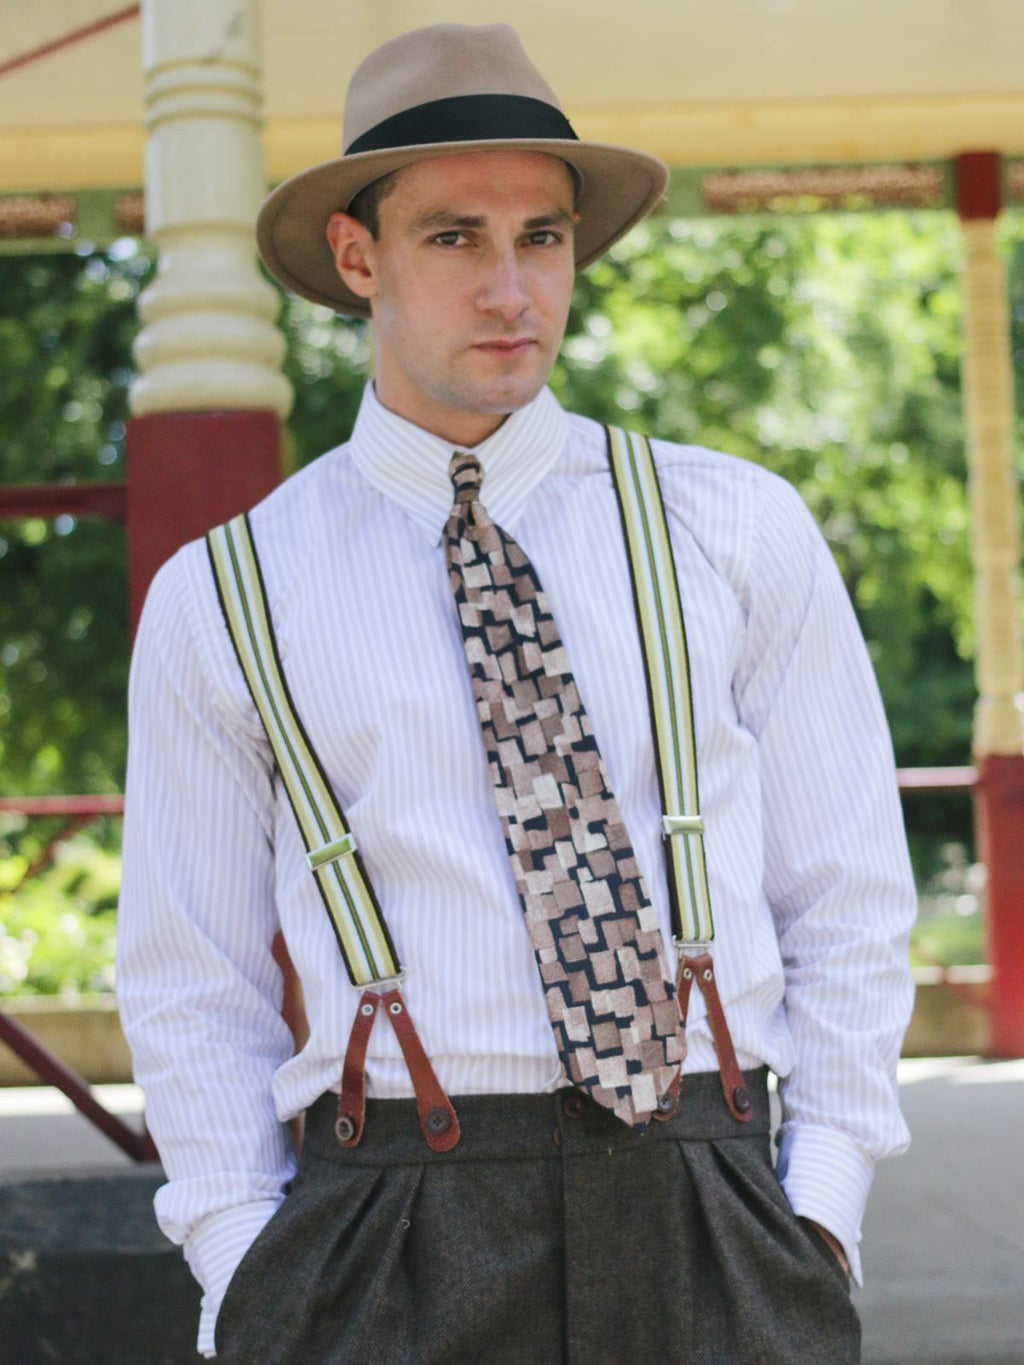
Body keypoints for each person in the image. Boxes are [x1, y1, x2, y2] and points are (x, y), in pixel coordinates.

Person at [117, 21, 916, 1364]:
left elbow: (847, 892)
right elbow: (190, 974)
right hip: (387, 1219)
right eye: (454, 238)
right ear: (357, 256)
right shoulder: (229, 593)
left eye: (541, 237)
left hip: (711, 1191)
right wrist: (245, 1270)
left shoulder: (733, 527)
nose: (511, 289)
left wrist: (822, 1209)